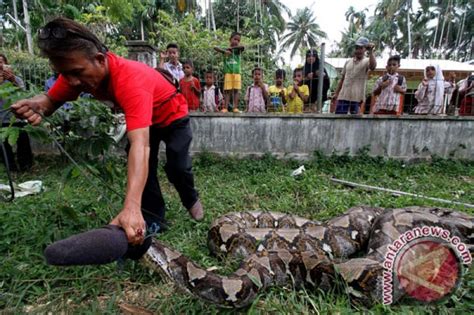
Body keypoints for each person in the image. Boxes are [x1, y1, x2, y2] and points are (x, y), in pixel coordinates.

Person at [11, 18, 203, 252]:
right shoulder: (76, 71)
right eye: (63, 73)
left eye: (75, 73)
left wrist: (130, 207)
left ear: (100, 60)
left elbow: (140, 145)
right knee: (147, 171)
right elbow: (51, 100)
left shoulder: (129, 80)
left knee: (177, 166)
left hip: (172, 115)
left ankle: (190, 198)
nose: (71, 81)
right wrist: (36, 104)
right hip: (144, 118)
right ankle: (154, 217)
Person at [0, 53, 33, 172]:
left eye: (1, 62)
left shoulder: (17, 79)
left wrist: (12, 80)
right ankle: (11, 169)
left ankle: (26, 168)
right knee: (4, 146)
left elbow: (23, 95)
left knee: (23, 143)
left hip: (16, 118)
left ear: (6, 64)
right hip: (1, 119)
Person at [334, 37, 376, 114]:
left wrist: (371, 52)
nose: (358, 50)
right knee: (339, 120)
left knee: (354, 122)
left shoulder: (367, 61)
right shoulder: (348, 62)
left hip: (357, 98)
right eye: (357, 48)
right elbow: (342, 79)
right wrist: (336, 94)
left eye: (361, 48)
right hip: (343, 96)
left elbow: (373, 66)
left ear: (365, 49)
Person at [214, 32, 245, 113]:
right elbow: (215, 47)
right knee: (227, 91)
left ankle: (235, 108)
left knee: (236, 91)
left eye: (238, 40)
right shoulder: (225, 50)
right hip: (228, 73)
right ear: (230, 39)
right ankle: (226, 108)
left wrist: (232, 49)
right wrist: (225, 52)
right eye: (235, 39)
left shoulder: (238, 51)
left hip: (237, 73)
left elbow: (243, 47)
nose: (236, 41)